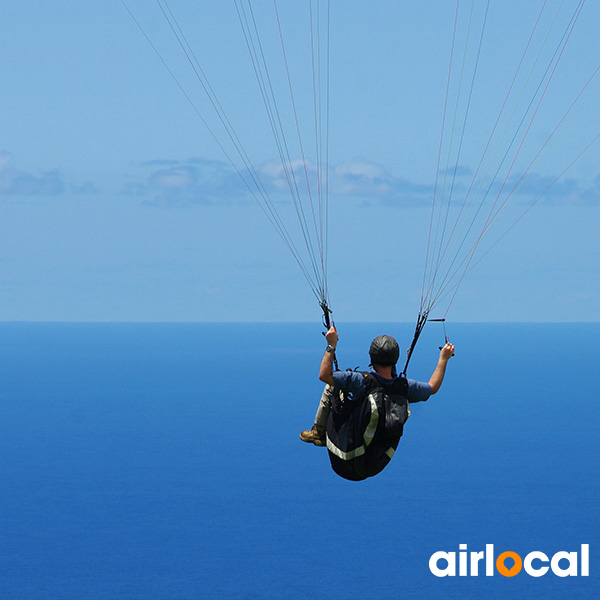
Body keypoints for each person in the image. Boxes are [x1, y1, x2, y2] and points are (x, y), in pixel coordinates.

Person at [300, 325, 455, 480]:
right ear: (395, 359)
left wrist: (331, 345)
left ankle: (318, 432)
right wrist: (444, 358)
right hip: (373, 465)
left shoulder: (360, 382)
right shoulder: (403, 388)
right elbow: (432, 387)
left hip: (343, 459)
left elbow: (324, 375)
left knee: (332, 385)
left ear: (371, 358)